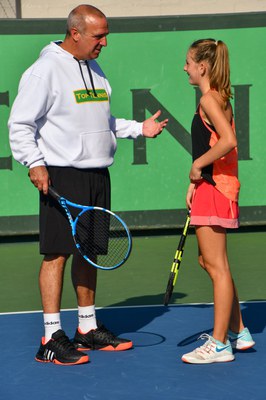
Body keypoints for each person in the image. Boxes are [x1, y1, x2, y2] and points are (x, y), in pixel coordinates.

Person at [8, 4, 168, 366]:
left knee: (89, 251)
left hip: (97, 175)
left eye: (106, 34)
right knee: (57, 254)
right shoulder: (45, 70)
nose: (105, 42)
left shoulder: (95, 68)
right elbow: (20, 124)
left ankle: (87, 327)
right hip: (62, 174)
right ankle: (50, 337)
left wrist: (138, 129)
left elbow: (102, 121)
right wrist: (35, 163)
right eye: (99, 35)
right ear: (75, 33)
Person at [181, 39, 255, 364]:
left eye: (188, 62)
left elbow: (229, 141)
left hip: (215, 188)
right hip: (210, 187)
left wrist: (197, 166)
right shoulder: (220, 98)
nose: (185, 68)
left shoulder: (210, 99)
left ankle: (220, 344)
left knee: (217, 267)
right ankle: (240, 331)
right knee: (210, 263)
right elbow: (215, 143)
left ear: (202, 66)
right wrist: (194, 183)